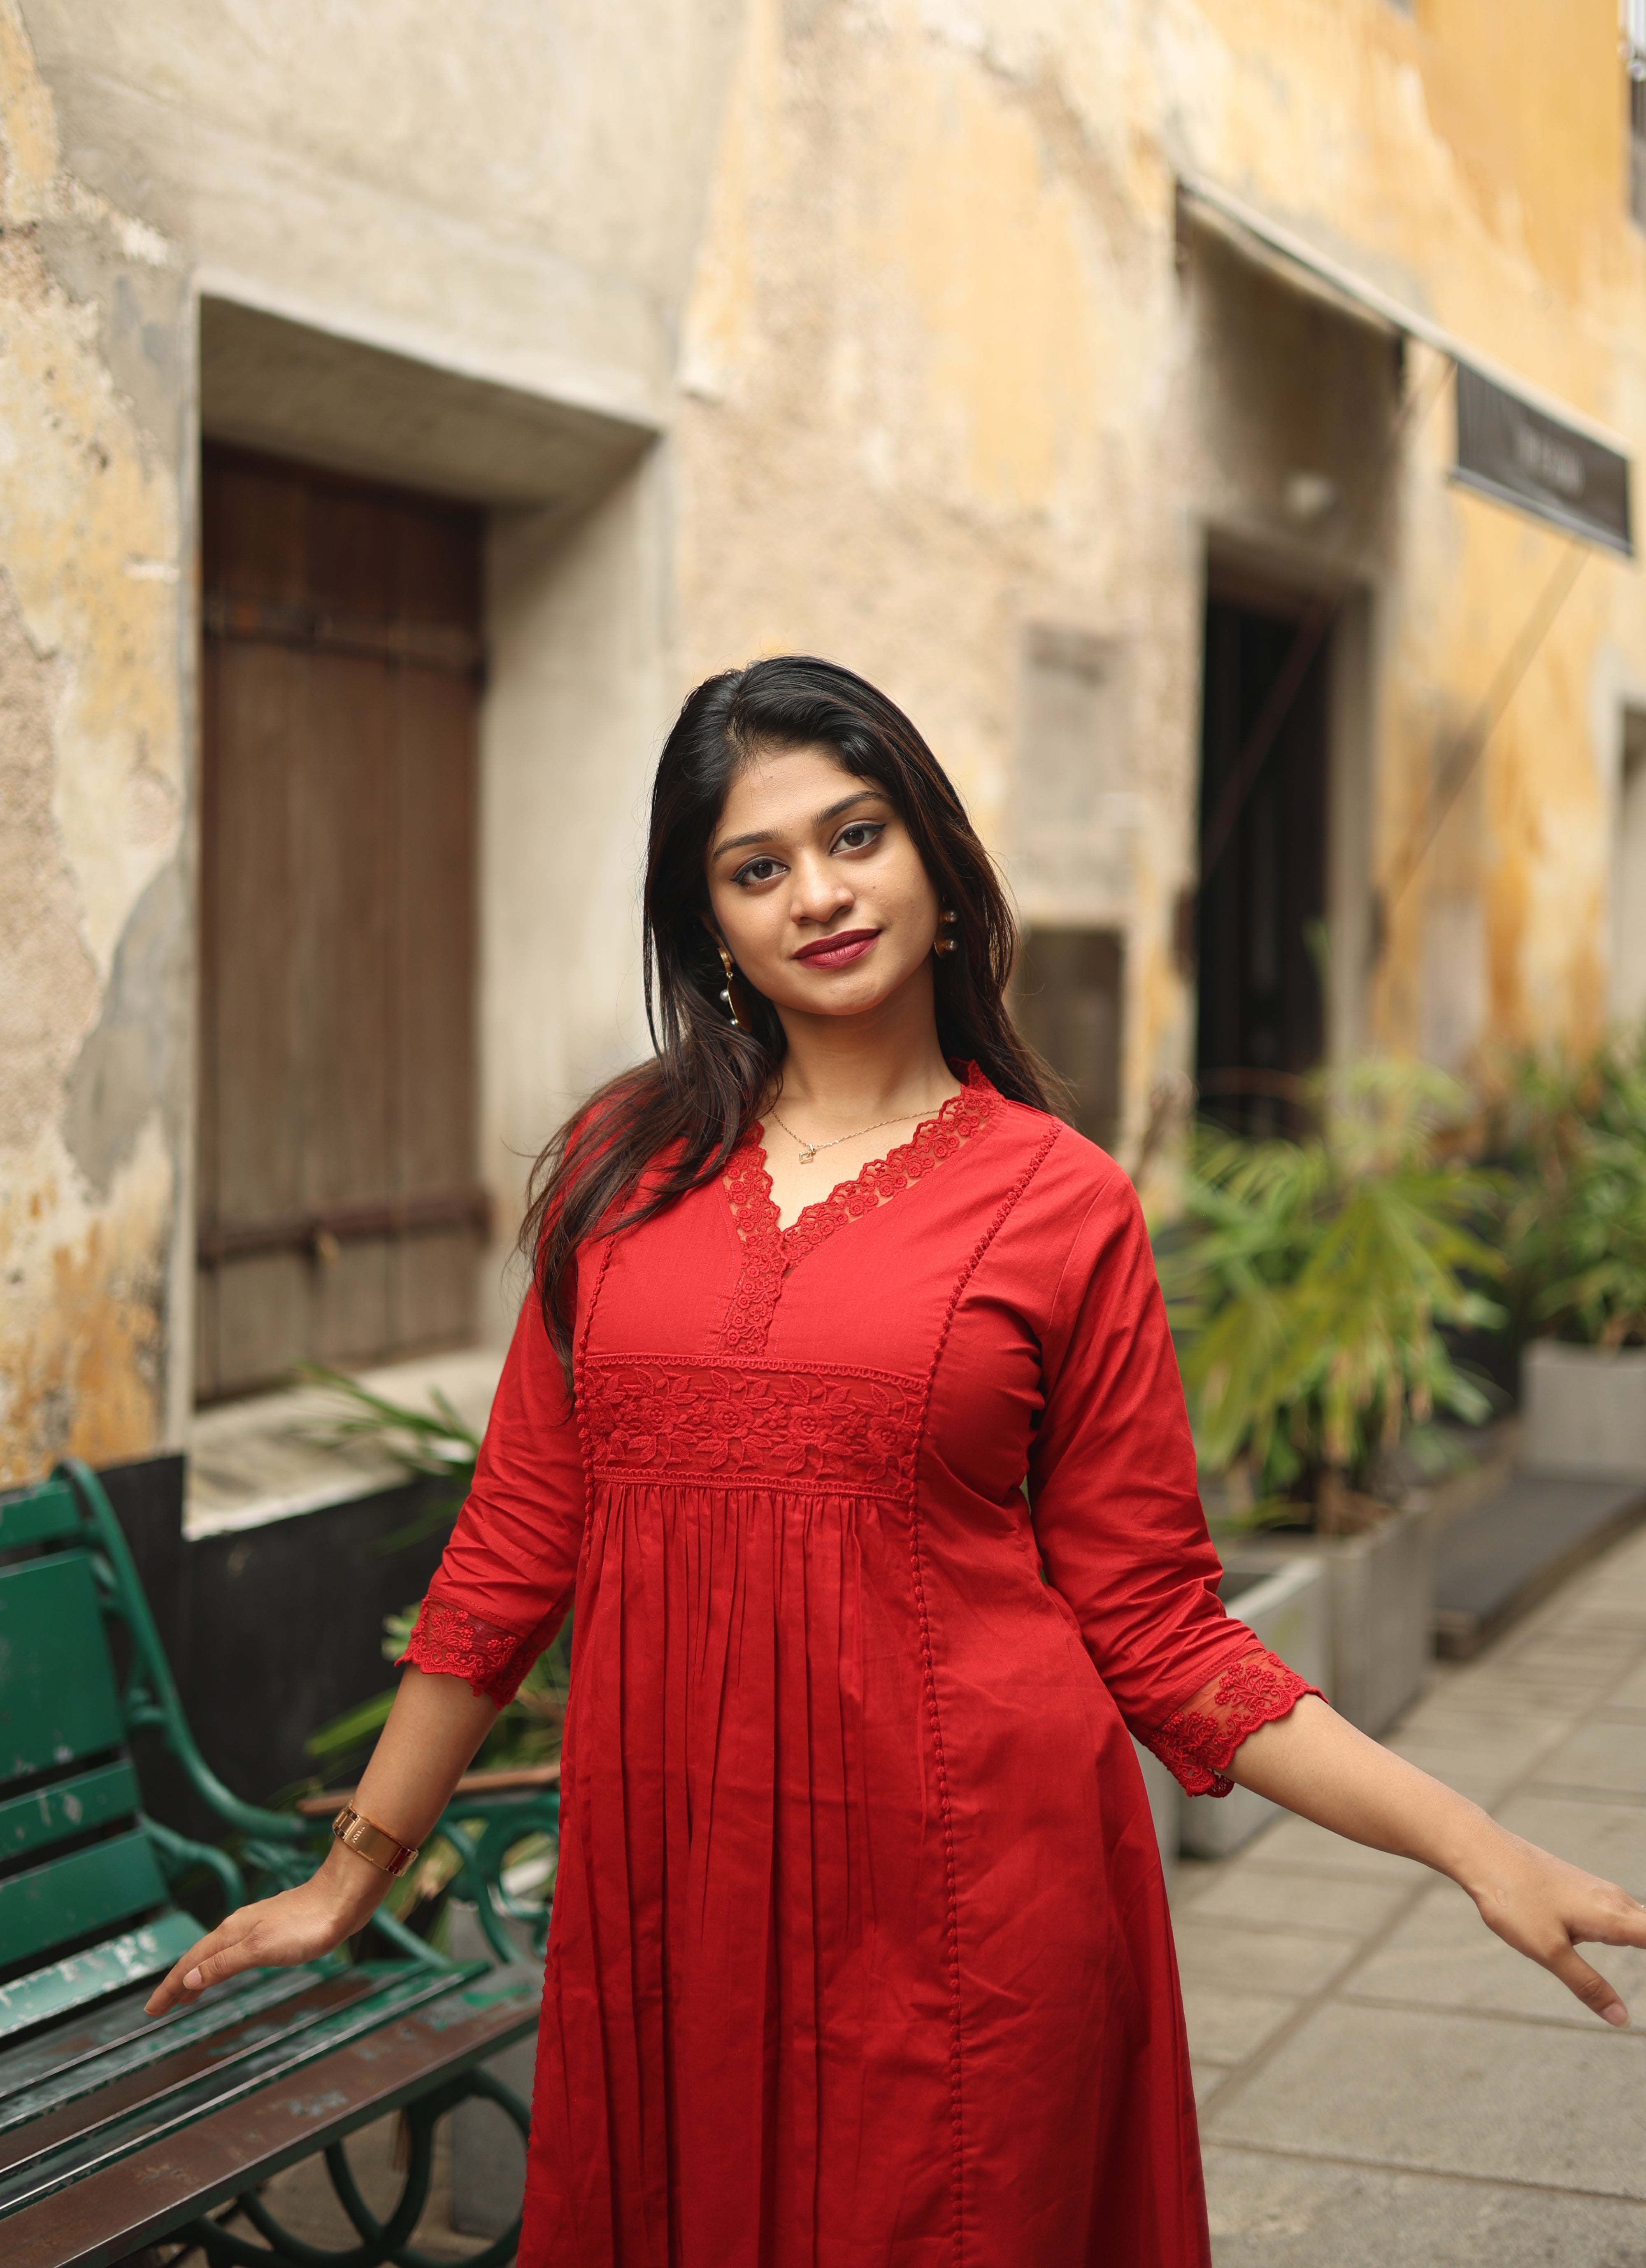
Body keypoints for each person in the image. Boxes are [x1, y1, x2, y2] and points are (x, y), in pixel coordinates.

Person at [150, 658, 1646, 2267]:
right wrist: (350, 1875)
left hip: (966, 1896)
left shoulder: (1056, 1201)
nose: (817, 893)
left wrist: (1468, 1844)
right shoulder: (620, 1167)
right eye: (756, 867)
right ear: (708, 924)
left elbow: (1160, 1628)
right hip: (676, 1895)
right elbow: (516, 1543)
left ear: (931, 852)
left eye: (852, 835)